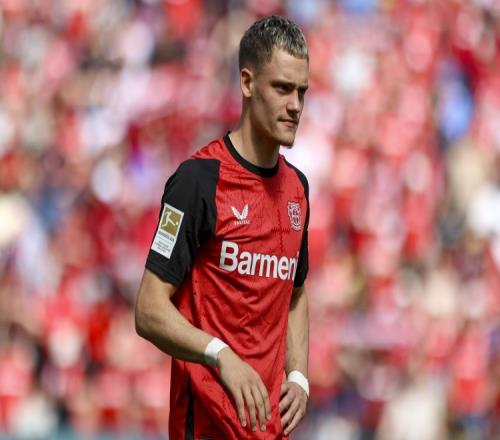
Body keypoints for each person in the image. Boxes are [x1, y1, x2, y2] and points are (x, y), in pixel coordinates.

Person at [135, 15, 310, 439]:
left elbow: (296, 292)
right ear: (247, 83)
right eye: (282, 88)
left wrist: (299, 375)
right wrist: (220, 355)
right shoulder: (197, 182)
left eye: (302, 91)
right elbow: (149, 309)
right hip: (206, 428)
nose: (295, 105)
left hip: (270, 431)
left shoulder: (298, 189)